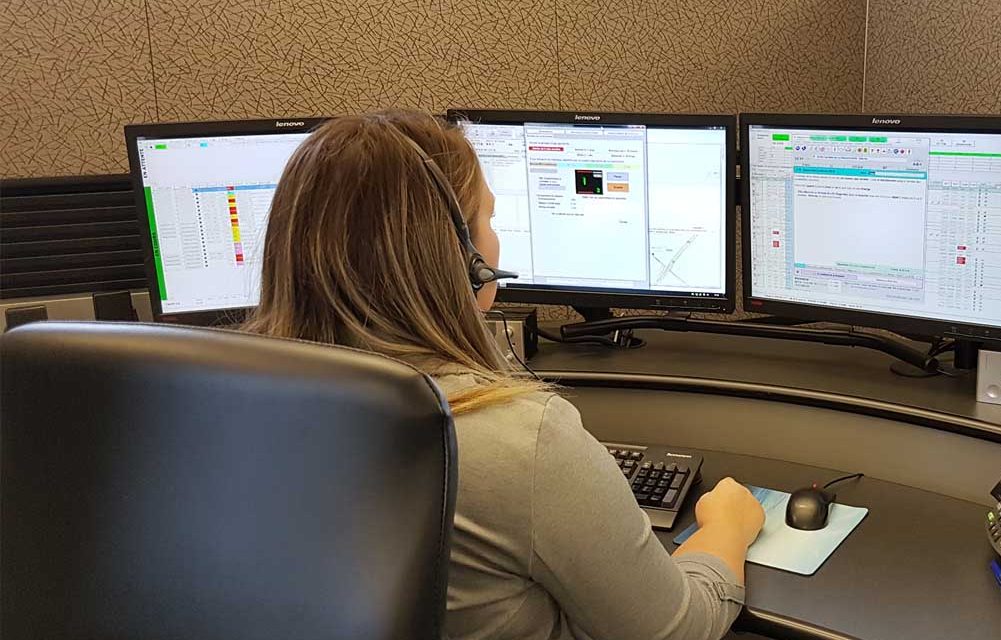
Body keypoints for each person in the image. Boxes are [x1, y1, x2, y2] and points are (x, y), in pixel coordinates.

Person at [244, 110, 766, 640]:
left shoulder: (231, 416)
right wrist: (727, 526)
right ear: (463, 258)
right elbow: (678, 630)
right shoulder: (518, 439)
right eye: (488, 220)